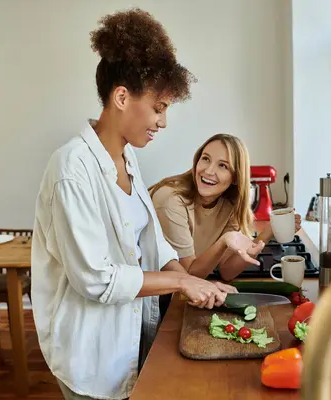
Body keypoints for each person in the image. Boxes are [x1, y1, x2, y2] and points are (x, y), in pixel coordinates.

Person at [30, 9, 239, 400]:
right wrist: (181, 280)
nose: (163, 123)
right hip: (91, 354)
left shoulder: (127, 159)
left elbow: (152, 240)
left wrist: (189, 279)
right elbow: (97, 278)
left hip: (131, 337)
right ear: (122, 97)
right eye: (159, 108)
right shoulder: (71, 168)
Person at [149, 134, 302, 285]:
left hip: (181, 291)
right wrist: (224, 241)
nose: (208, 171)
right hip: (154, 297)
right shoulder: (171, 200)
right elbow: (188, 275)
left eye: (222, 165)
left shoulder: (230, 204)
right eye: (206, 159)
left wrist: (268, 232)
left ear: (235, 177)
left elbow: (227, 271)